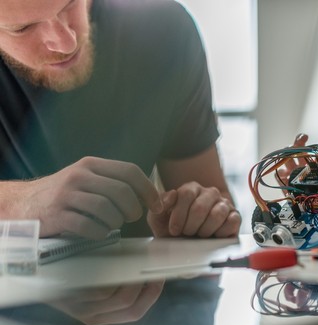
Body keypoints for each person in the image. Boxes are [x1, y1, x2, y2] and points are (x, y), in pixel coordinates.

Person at [0, 0, 241, 239]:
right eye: (22, 28)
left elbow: (213, 197)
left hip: (140, 272)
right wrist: (26, 203)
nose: (66, 42)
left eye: (70, 5)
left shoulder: (162, 32)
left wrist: (197, 215)